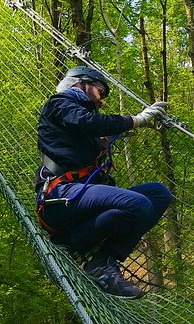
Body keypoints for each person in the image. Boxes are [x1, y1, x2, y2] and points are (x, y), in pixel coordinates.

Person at [35, 66, 173, 300]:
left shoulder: (79, 123)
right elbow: (86, 122)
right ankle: (69, 242)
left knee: (158, 194)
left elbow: (86, 129)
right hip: (59, 197)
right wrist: (135, 121)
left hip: (80, 200)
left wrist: (106, 139)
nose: (102, 101)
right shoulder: (58, 103)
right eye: (100, 92)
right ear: (81, 84)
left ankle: (101, 262)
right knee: (137, 204)